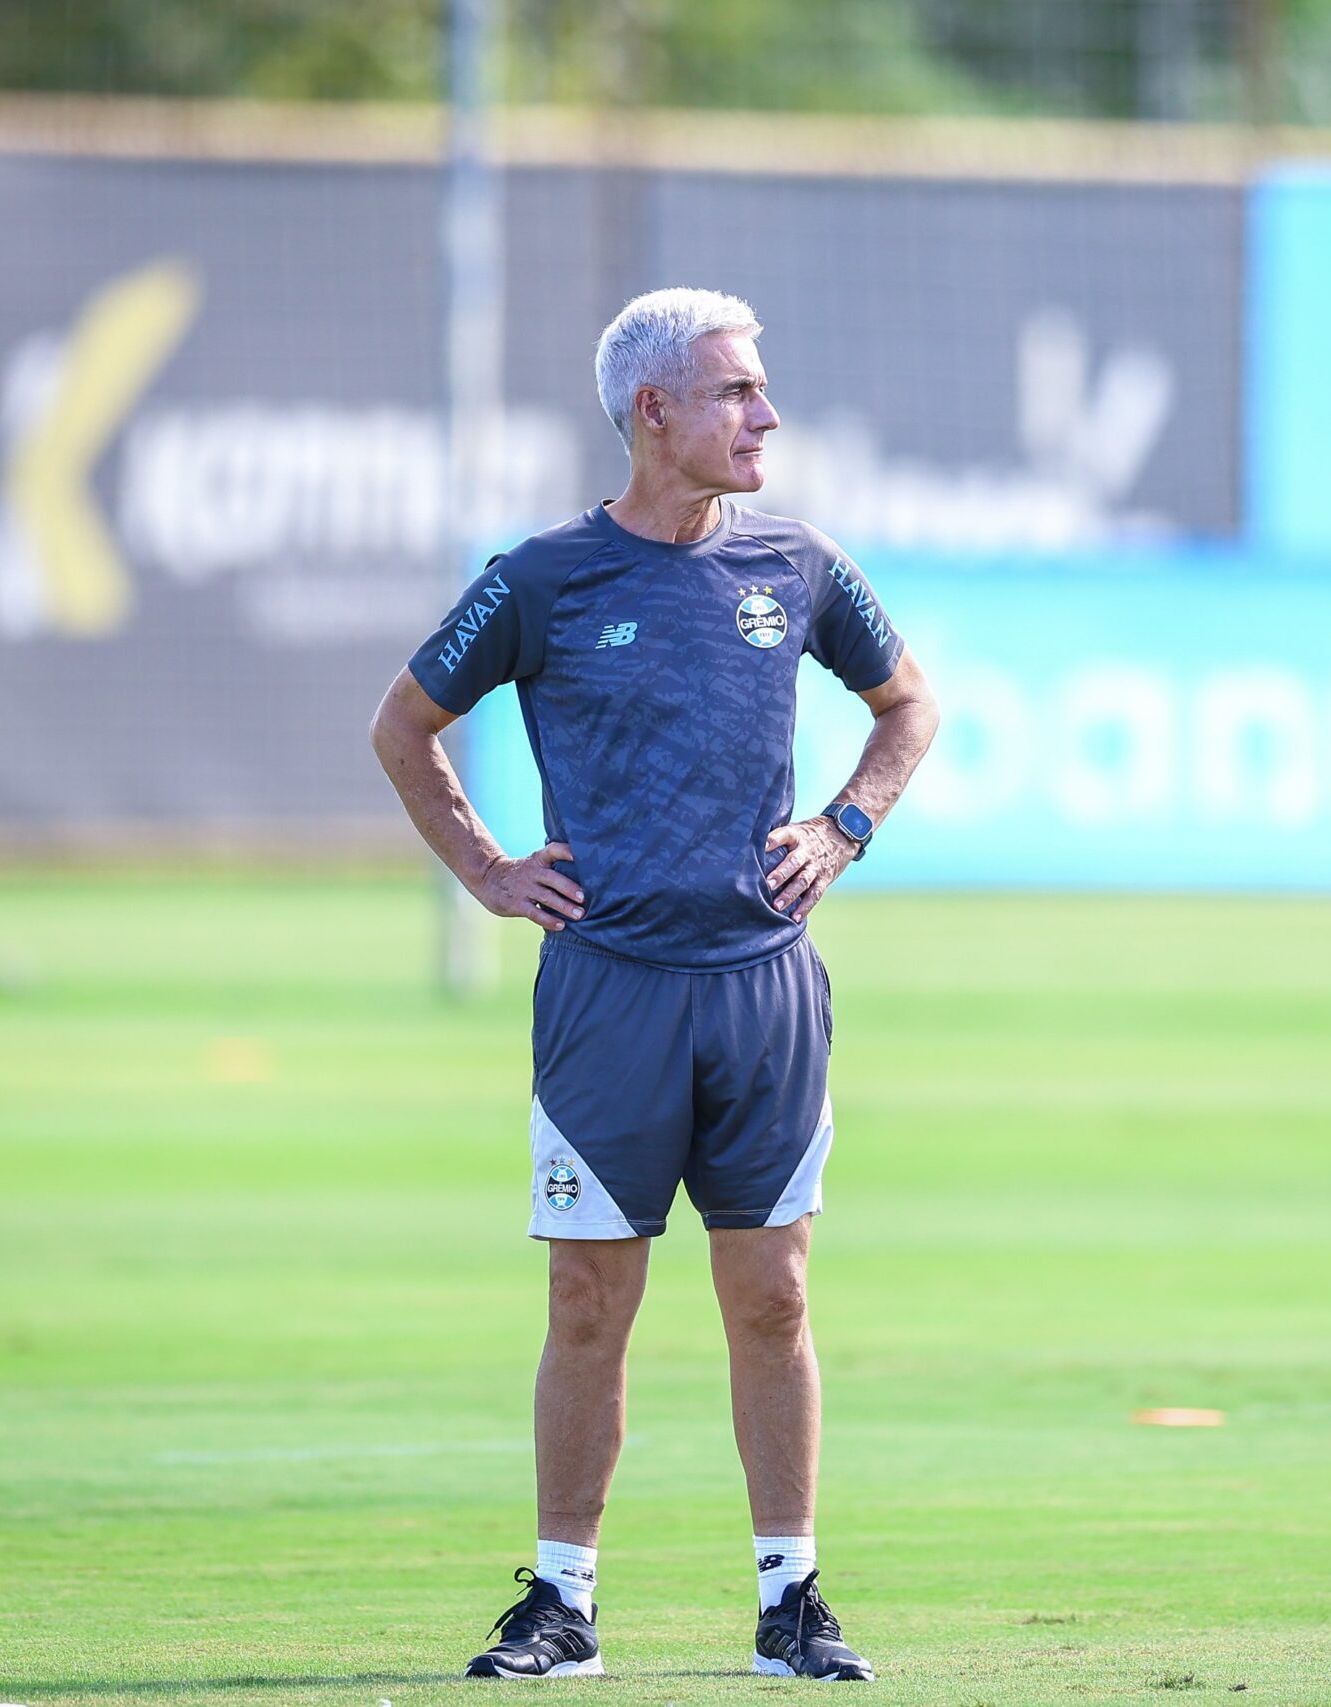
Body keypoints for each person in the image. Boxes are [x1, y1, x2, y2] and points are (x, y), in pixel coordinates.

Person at [369, 287, 939, 1682]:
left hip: (762, 995)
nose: (767, 415)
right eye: (738, 391)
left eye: (761, 388)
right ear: (654, 411)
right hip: (608, 997)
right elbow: (403, 727)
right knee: (585, 1304)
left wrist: (844, 826)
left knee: (775, 1300)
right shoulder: (543, 579)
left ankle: (791, 1603)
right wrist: (489, 871)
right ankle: (562, 1604)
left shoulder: (799, 564)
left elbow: (908, 706)